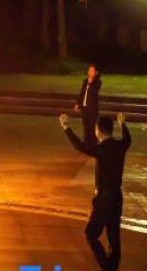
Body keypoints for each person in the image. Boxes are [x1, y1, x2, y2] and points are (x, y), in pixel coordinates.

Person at [59, 112, 131, 271]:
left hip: (104, 198)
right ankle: (112, 267)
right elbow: (128, 139)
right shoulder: (120, 146)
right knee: (114, 238)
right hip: (117, 197)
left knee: (91, 234)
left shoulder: (101, 149)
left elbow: (79, 145)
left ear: (98, 130)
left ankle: (107, 267)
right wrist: (123, 124)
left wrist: (66, 127)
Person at [75, 64, 102, 143]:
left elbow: (94, 92)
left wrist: (90, 83)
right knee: (86, 127)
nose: (90, 72)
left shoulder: (98, 82)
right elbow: (82, 93)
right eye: (89, 71)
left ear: (95, 73)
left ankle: (94, 145)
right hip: (84, 108)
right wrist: (78, 104)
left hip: (92, 109)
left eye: (92, 71)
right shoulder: (85, 81)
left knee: (92, 128)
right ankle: (86, 144)